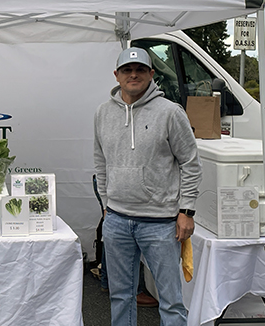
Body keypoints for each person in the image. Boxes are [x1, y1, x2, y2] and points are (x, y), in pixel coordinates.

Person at [94, 47, 202, 326]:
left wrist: (186, 211)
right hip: (117, 220)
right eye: (127, 70)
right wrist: (107, 205)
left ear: (151, 74)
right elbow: (100, 161)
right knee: (121, 296)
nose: (133, 75)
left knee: (171, 300)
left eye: (140, 70)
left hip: (161, 223)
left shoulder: (170, 113)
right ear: (116, 75)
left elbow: (190, 163)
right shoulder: (103, 113)